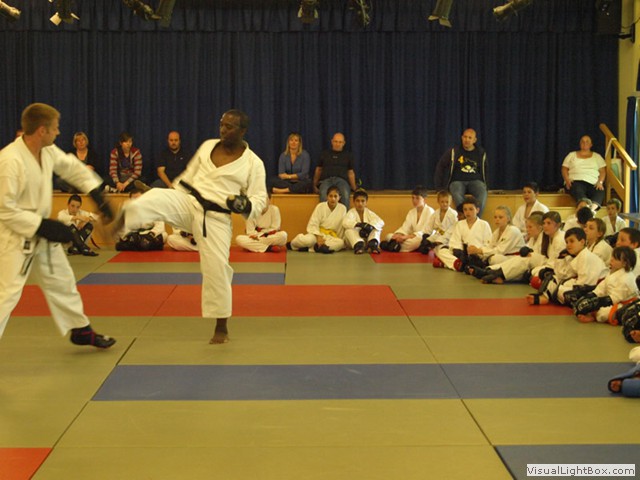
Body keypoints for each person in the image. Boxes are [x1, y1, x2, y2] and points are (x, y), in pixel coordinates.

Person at [117, 109, 268, 345]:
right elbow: (187, 178)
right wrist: (172, 194)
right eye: (222, 124)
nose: (223, 129)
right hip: (190, 202)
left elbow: (260, 199)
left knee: (217, 269)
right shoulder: (208, 146)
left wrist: (245, 205)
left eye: (229, 127)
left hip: (216, 218)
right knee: (155, 197)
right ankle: (116, 223)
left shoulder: (253, 163)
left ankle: (221, 326)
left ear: (242, 131)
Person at [0, 103, 115, 348]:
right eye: (55, 128)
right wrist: (42, 226)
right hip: (14, 238)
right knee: (5, 295)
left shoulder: (47, 151)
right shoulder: (10, 161)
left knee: (62, 281)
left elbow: (71, 167)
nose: (59, 132)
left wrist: (97, 194)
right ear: (42, 130)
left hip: (41, 233)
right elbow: (4, 210)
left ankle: (81, 330)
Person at [527, 227, 608, 306]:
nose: (568, 245)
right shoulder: (573, 256)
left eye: (572, 241)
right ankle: (545, 296)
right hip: (579, 284)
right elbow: (561, 275)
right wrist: (560, 258)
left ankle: (548, 296)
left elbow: (585, 285)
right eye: (566, 242)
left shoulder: (587, 257)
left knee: (565, 291)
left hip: (594, 289)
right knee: (551, 278)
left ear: (582, 242)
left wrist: (564, 285)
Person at [573, 246, 638, 324]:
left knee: (603, 313)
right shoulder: (612, 272)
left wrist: (595, 303)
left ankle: (593, 315)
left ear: (625, 263)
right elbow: (601, 288)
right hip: (612, 301)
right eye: (612, 256)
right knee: (586, 301)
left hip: (625, 305)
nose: (611, 259)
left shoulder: (626, 278)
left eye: (615, 258)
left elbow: (614, 298)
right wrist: (590, 296)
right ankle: (592, 312)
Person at [434, 128, 488, 214]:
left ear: (474, 140)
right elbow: (441, 166)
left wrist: (487, 184)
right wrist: (439, 188)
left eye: (470, 138)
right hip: (457, 181)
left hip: (475, 181)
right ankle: (464, 216)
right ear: (462, 138)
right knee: (455, 190)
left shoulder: (481, 153)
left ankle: (476, 218)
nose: (467, 140)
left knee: (482, 190)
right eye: (465, 137)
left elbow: (485, 170)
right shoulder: (454, 151)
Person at [433, 196, 492, 271]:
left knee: (487, 257)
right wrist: (461, 252)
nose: (468, 212)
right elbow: (454, 242)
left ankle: (449, 264)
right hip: (462, 254)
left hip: (478, 255)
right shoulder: (460, 224)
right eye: (465, 209)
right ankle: (459, 265)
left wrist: (478, 250)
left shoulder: (484, 224)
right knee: (442, 251)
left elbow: (489, 245)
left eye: (471, 209)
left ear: (477, 210)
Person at [288, 185, 347, 253]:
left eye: (335, 196)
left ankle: (314, 248)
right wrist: (318, 236)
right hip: (317, 235)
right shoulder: (320, 206)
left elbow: (341, 228)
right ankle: (292, 244)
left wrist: (337, 239)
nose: (333, 199)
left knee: (340, 243)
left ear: (339, 197)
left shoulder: (342, 208)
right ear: (327, 197)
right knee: (307, 240)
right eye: (330, 196)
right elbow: (313, 224)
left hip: (331, 237)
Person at [381, 186, 434, 253]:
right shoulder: (411, 212)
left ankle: (392, 245)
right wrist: (399, 235)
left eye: (417, 198)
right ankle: (394, 245)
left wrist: (406, 237)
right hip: (411, 237)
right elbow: (405, 227)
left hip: (423, 238)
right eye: (413, 198)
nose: (414, 201)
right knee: (388, 236)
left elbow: (425, 232)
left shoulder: (430, 212)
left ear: (424, 199)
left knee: (415, 242)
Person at [313, 132, 358, 208]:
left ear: (344, 143)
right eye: (336, 141)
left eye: (340, 142)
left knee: (345, 194)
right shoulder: (324, 154)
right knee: (323, 194)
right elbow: (318, 170)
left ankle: (345, 215)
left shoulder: (348, 155)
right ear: (332, 142)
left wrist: (354, 188)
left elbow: (350, 173)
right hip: (326, 180)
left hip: (342, 181)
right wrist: (314, 185)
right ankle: (325, 215)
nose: (337, 144)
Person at [561, 135, 606, 206]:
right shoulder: (571, 155)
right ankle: (585, 205)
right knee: (577, 189)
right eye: (582, 142)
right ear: (580, 144)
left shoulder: (597, 156)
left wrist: (600, 182)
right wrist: (567, 179)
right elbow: (564, 169)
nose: (585, 143)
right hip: (575, 181)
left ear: (591, 144)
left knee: (600, 190)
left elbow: (602, 171)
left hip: (592, 183)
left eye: (587, 142)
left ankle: (592, 208)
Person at [342, 189, 384, 254]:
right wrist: (359, 224)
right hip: (354, 241)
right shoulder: (351, 212)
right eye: (357, 201)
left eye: (362, 201)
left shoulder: (369, 213)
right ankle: (359, 246)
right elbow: (345, 223)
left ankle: (373, 245)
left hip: (367, 240)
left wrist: (370, 226)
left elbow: (381, 222)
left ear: (366, 202)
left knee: (377, 228)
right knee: (348, 231)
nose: (360, 203)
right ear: (354, 202)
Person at [418, 190, 458, 255]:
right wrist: (425, 238)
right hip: (438, 235)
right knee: (424, 245)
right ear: (438, 202)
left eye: (447, 202)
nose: (444, 204)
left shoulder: (453, 214)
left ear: (450, 202)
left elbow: (451, 231)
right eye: (442, 202)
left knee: (440, 250)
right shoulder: (435, 214)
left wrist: (437, 242)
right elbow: (429, 226)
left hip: (449, 238)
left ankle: (442, 249)